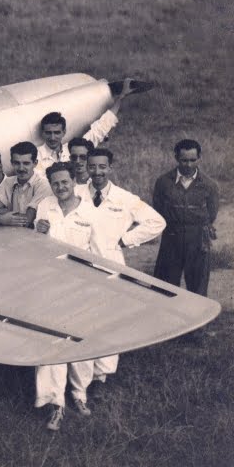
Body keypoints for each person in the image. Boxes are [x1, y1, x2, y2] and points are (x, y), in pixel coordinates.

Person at [82, 147, 166, 388]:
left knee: (108, 320)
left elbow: (156, 222)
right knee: (85, 317)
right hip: (80, 264)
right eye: (92, 166)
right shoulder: (77, 193)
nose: (97, 172)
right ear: (87, 167)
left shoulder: (125, 198)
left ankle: (102, 376)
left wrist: (125, 240)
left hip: (111, 264)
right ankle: (82, 373)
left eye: (102, 167)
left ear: (110, 167)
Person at [33, 162, 101, 431]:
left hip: (81, 286)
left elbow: (99, 252)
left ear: (74, 181)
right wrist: (36, 233)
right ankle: (55, 403)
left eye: (65, 182)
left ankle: (79, 395)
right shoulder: (45, 206)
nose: (60, 187)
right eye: (55, 183)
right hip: (49, 284)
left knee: (81, 340)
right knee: (51, 342)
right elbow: (36, 245)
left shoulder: (90, 212)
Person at [153, 139, 220, 297]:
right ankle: (166, 320)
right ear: (176, 157)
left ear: (199, 158)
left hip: (198, 239)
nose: (188, 165)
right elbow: (158, 209)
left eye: (192, 160)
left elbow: (212, 213)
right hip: (171, 237)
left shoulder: (210, 185)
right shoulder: (163, 182)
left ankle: (198, 320)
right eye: (184, 160)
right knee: (164, 285)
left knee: (198, 286)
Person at [35, 78, 135, 174]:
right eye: (48, 133)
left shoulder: (73, 149)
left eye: (57, 132)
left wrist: (121, 97)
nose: (52, 138)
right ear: (43, 133)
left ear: (64, 132)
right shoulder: (35, 156)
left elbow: (100, 129)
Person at [0, 142, 50, 228]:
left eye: (26, 163)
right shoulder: (8, 182)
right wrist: (0, 219)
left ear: (35, 163)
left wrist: (1, 216)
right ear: (12, 163)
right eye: (17, 163)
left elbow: (26, 221)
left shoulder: (43, 185)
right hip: (13, 234)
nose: (21, 168)